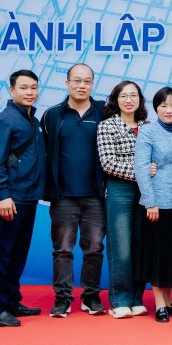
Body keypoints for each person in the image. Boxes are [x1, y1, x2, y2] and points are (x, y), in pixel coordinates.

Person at [42, 63, 106, 318]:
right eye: (77, 80)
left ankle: (91, 296)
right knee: (63, 249)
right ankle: (63, 298)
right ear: (67, 82)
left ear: (92, 84)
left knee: (95, 248)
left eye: (87, 81)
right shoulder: (52, 115)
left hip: (95, 196)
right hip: (64, 197)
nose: (82, 85)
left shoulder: (104, 112)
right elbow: (44, 153)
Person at [0, 69, 46, 327]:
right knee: (4, 252)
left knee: (18, 253)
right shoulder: (4, 120)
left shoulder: (33, 120)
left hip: (29, 196)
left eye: (33, 87)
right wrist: (3, 196)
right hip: (10, 198)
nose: (29, 92)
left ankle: (11, 301)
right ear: (12, 90)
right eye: (23, 87)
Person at [134, 86, 172, 323]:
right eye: (163, 105)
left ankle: (168, 302)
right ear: (156, 108)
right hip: (157, 203)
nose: (169, 110)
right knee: (158, 253)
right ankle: (159, 304)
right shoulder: (148, 132)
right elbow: (141, 168)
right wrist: (150, 202)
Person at [97, 80, 148, 319]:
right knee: (121, 247)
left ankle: (137, 298)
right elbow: (108, 163)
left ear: (140, 100)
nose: (129, 100)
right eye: (124, 96)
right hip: (120, 190)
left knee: (141, 245)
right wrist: (142, 171)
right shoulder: (107, 126)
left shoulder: (148, 127)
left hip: (147, 192)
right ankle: (120, 300)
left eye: (134, 95)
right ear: (116, 100)